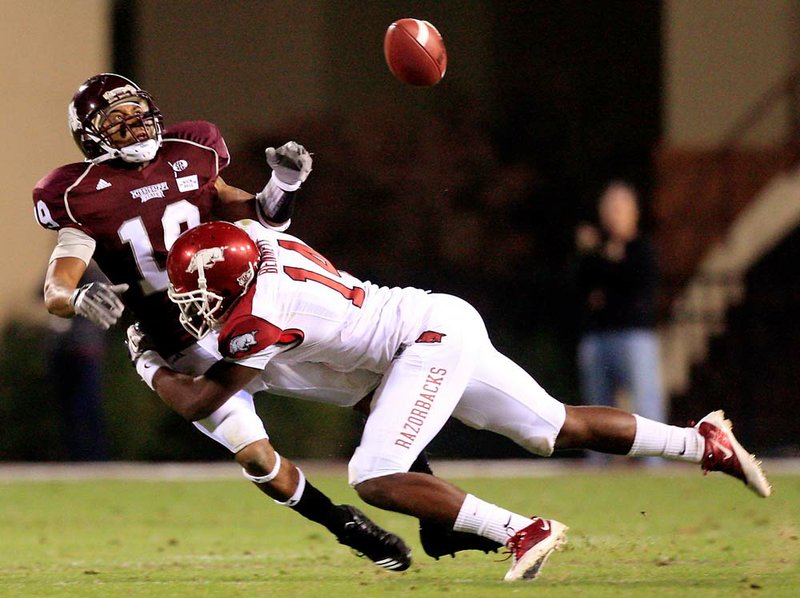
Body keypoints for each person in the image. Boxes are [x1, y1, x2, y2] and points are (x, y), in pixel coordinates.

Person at [128, 218, 772, 582]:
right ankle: (701, 442)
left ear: (232, 281)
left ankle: (522, 529)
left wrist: (144, 358)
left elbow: (200, 402)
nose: (195, 306)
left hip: (422, 341)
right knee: (552, 428)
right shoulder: (250, 240)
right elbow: (254, 215)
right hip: (432, 320)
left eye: (200, 293)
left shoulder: (259, 317)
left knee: (375, 475)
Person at [33, 72, 416, 571]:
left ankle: (428, 503)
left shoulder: (191, 152)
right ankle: (341, 523)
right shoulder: (81, 193)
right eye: (116, 120)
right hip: (174, 342)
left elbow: (261, 216)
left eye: (135, 111)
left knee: (367, 390)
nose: (133, 125)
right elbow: (56, 286)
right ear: (92, 135)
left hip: (238, 316)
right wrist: (77, 297)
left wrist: (284, 185)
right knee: (257, 459)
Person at [575, 180, 665, 465]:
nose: (614, 214)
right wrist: (602, 259)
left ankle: (655, 463)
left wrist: (608, 274)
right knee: (596, 408)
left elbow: (638, 287)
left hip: (634, 336)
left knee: (646, 403)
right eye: (609, 208)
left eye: (619, 208)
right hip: (598, 335)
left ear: (633, 212)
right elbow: (581, 287)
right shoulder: (595, 251)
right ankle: (599, 466)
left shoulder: (642, 248)